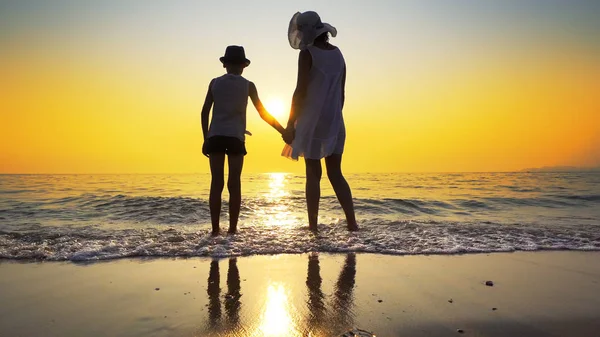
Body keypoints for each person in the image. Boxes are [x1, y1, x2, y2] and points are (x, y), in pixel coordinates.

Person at [282, 11, 358, 232]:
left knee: (313, 174)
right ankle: (352, 224)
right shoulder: (338, 54)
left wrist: (290, 124)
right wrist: (334, 117)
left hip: (312, 121)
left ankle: (313, 227)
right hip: (335, 119)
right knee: (336, 173)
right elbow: (342, 93)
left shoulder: (307, 54)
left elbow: (300, 92)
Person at [201, 45, 285, 235]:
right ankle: (232, 230)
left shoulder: (214, 83)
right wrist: (282, 130)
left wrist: (205, 138)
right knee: (234, 183)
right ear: (243, 66)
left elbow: (205, 111)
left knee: (216, 183)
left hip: (215, 136)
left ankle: (215, 230)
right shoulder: (248, 85)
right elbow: (263, 113)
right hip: (235, 139)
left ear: (225, 65)